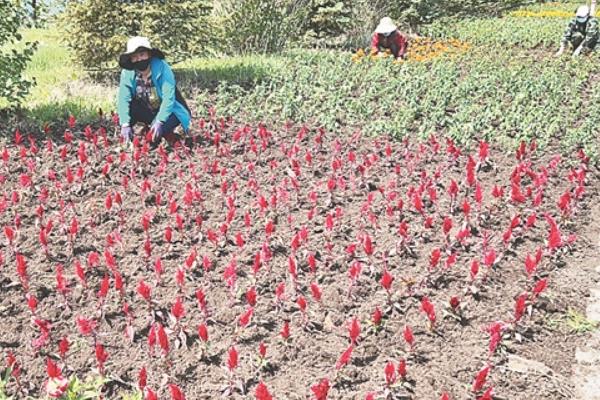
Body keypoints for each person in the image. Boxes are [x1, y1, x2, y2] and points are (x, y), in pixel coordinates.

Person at [117, 36, 191, 146]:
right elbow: (123, 99)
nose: (139, 59)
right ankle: (131, 136)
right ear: (131, 59)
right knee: (128, 113)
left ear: (149, 54)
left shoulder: (162, 68)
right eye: (135, 57)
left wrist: (159, 121)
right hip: (147, 110)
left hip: (170, 111)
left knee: (153, 138)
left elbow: (168, 98)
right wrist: (124, 124)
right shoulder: (127, 73)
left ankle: (167, 134)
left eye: (142, 54)